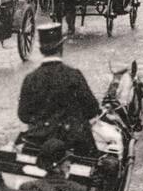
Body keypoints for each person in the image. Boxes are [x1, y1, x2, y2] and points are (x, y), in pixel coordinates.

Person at [17, 24, 100, 158]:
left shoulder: (30, 79)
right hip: (73, 145)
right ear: (61, 47)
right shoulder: (73, 75)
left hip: (37, 144)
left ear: (40, 49)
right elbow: (92, 110)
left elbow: (23, 115)